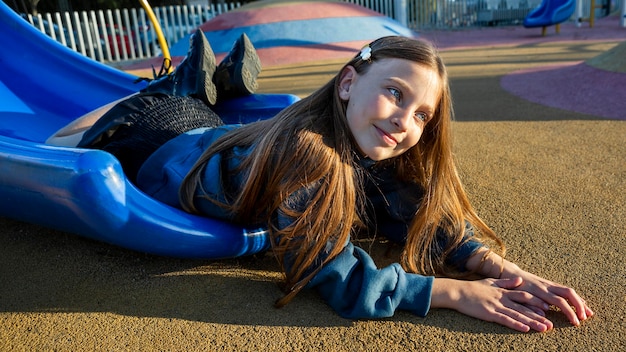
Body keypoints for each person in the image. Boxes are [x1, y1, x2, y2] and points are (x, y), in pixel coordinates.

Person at [48, 31, 593, 333]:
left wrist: (495, 265)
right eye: (396, 93)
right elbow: (337, 277)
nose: (406, 120)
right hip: (153, 143)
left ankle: (210, 83)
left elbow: (411, 207)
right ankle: (183, 82)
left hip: (215, 137)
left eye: (424, 114)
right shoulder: (307, 156)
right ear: (349, 83)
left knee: (203, 113)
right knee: (134, 114)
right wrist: (451, 292)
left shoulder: (361, 138)